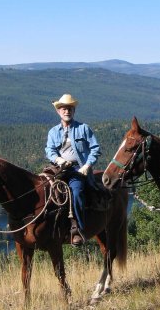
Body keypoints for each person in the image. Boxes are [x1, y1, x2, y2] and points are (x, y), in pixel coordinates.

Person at [45, 93, 101, 245]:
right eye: (63, 109)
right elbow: (49, 150)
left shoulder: (84, 128)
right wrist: (58, 159)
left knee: (76, 193)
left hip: (78, 170)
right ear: (58, 111)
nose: (67, 111)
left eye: (69, 108)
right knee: (44, 190)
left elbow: (95, 149)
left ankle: (78, 230)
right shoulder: (53, 132)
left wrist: (87, 166)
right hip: (59, 169)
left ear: (74, 111)